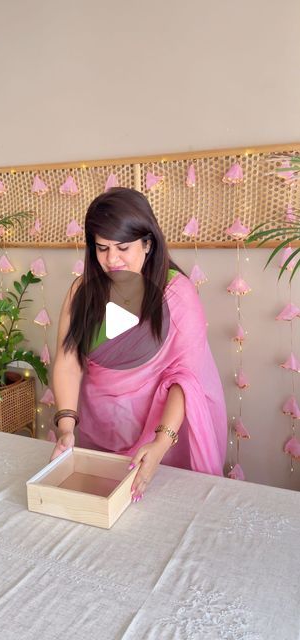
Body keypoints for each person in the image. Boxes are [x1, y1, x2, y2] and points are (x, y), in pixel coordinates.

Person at [51, 187, 227, 501]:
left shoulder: (177, 294)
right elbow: (68, 362)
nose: (111, 259)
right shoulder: (82, 291)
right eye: (101, 248)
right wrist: (66, 426)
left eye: (123, 247)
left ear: (147, 243)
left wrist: (161, 442)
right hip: (96, 434)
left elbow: (184, 380)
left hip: (159, 442)